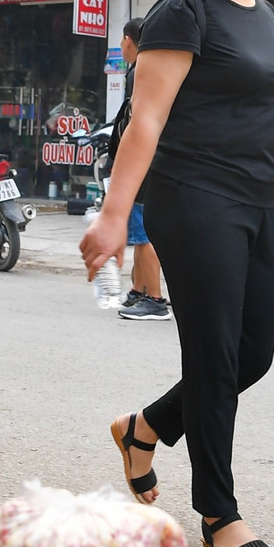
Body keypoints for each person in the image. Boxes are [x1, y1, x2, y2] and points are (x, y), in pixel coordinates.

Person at [82, 0, 274, 547]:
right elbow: (145, 120)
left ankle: (144, 427)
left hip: (254, 202)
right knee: (214, 358)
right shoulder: (184, 10)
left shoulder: (266, 14)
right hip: (193, 197)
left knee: (253, 354)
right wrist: (114, 215)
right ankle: (219, 512)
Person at [115, 17, 171, 321]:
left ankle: (155, 299)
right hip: (156, 161)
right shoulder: (155, 69)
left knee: (144, 233)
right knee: (141, 231)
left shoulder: (139, 72)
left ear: (128, 40)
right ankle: (139, 289)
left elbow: (139, 123)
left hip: (144, 163)